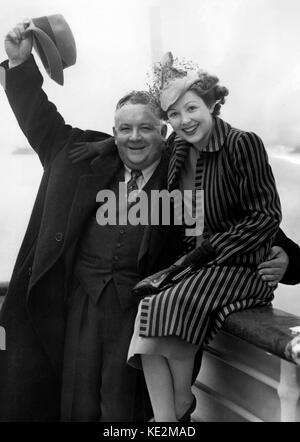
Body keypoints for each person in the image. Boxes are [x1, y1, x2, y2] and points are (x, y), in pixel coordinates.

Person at [0, 22, 183, 422]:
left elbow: (239, 215)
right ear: (113, 131)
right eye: (124, 129)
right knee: (76, 405)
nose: (134, 138)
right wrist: (18, 63)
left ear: (164, 131)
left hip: (140, 312)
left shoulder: (185, 175)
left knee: (124, 409)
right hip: (79, 303)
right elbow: (40, 119)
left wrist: (285, 257)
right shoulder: (78, 154)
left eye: (146, 128)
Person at [126, 55, 285, 422]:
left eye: (192, 108)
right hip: (200, 266)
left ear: (211, 103)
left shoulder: (242, 144)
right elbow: (182, 217)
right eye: (174, 114)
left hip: (241, 268)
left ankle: (178, 406)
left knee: (170, 304)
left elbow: (265, 216)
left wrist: (212, 250)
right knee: (148, 304)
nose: (185, 121)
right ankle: (169, 418)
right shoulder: (179, 151)